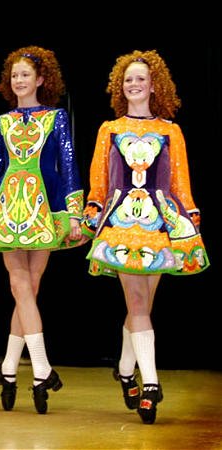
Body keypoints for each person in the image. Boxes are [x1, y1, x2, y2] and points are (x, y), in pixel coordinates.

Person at [81, 50, 209, 424]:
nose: (134, 84)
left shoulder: (171, 131)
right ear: (119, 87)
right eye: (128, 80)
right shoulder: (109, 129)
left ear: (154, 86)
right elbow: (99, 182)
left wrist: (191, 219)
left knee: (143, 306)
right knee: (136, 302)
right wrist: (90, 214)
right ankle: (150, 384)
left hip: (160, 224)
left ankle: (125, 369)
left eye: (140, 79)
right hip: (120, 222)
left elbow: (180, 183)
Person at [0, 46, 84, 414]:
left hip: (44, 206)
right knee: (20, 285)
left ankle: (9, 368)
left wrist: (74, 213)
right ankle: (42, 368)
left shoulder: (56, 118)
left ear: (41, 79)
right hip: (7, 207)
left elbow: (68, 165)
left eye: (25, 75)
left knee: (29, 286)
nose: (19, 80)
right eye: (14, 75)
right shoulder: (2, 122)